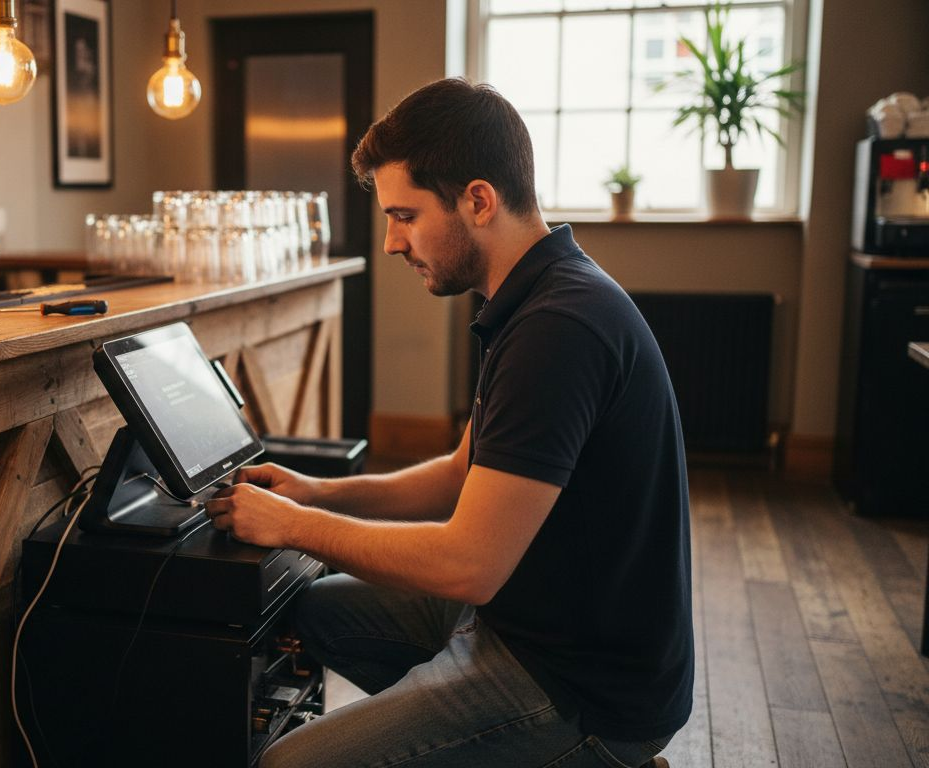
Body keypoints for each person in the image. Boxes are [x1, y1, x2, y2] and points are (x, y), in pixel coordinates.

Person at [205, 78, 692, 768]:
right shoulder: (532, 296)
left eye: (404, 215)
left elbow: (469, 567)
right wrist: (316, 493)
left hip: (582, 686)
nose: (390, 243)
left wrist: (291, 526)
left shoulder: (558, 329)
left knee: (287, 765)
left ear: (478, 200)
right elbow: (462, 473)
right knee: (312, 611)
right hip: (527, 620)